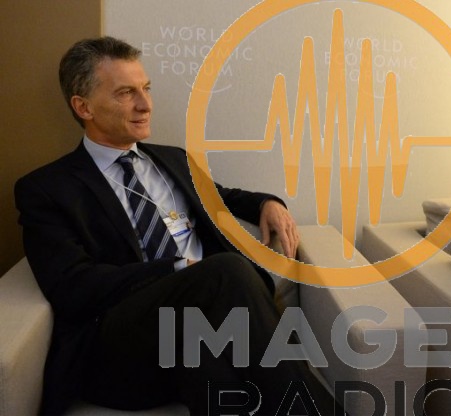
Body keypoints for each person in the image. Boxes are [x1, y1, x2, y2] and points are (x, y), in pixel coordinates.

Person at [15, 36, 339, 415]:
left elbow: (223, 196)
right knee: (225, 272)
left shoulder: (173, 160)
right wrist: (178, 270)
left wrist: (267, 203)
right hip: (122, 343)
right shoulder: (47, 189)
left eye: (146, 88)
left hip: (197, 329)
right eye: (126, 93)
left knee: (204, 357)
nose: (145, 104)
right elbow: (72, 286)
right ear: (83, 106)